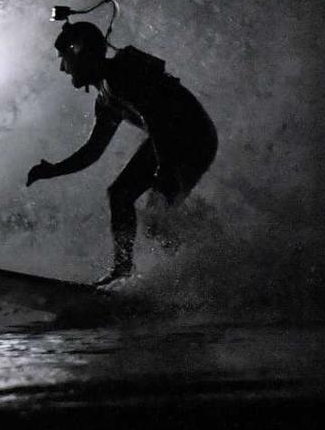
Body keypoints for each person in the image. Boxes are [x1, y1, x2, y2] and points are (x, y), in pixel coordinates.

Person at [27, 20, 217, 286]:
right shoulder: (105, 97)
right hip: (168, 140)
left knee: (157, 220)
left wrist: (165, 169)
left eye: (64, 58)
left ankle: (209, 262)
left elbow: (156, 118)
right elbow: (93, 151)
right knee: (121, 195)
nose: (62, 67)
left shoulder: (120, 77)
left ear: (81, 53)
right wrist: (53, 169)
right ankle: (123, 271)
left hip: (194, 138)